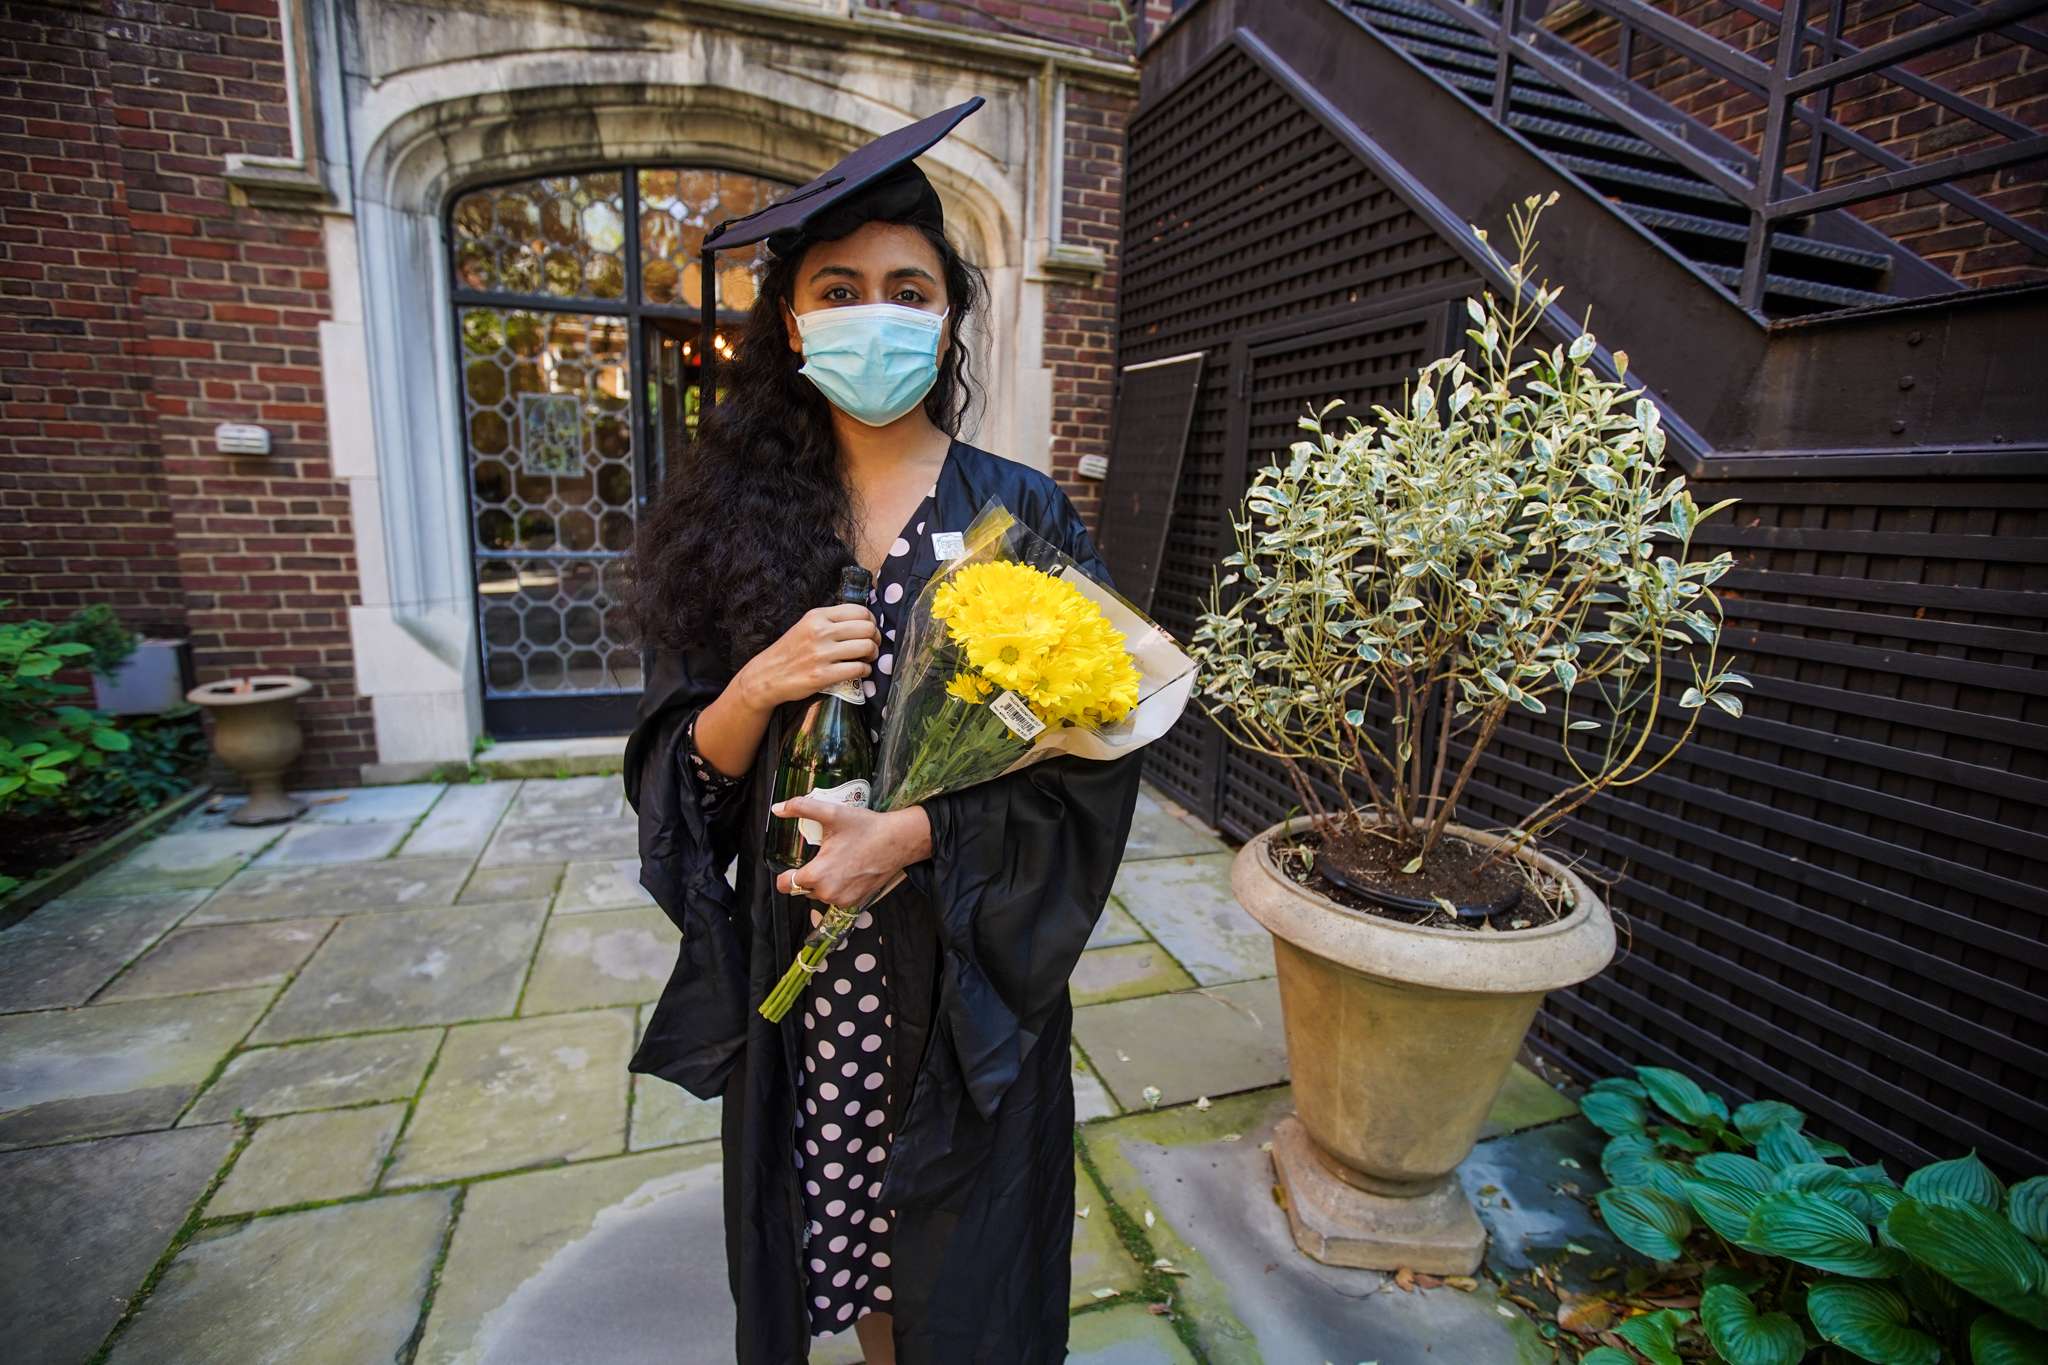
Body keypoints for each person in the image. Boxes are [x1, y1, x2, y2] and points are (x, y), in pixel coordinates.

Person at [624, 102, 1144, 1365]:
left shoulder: (1015, 514)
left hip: (964, 973)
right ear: (792, 321)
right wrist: (754, 688)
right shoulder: (726, 515)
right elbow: (674, 772)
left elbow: (1092, 765)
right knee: (843, 1245)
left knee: (960, 1269)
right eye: (839, 286)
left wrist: (911, 834)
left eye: (907, 287)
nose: (876, 310)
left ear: (950, 315)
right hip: (800, 971)